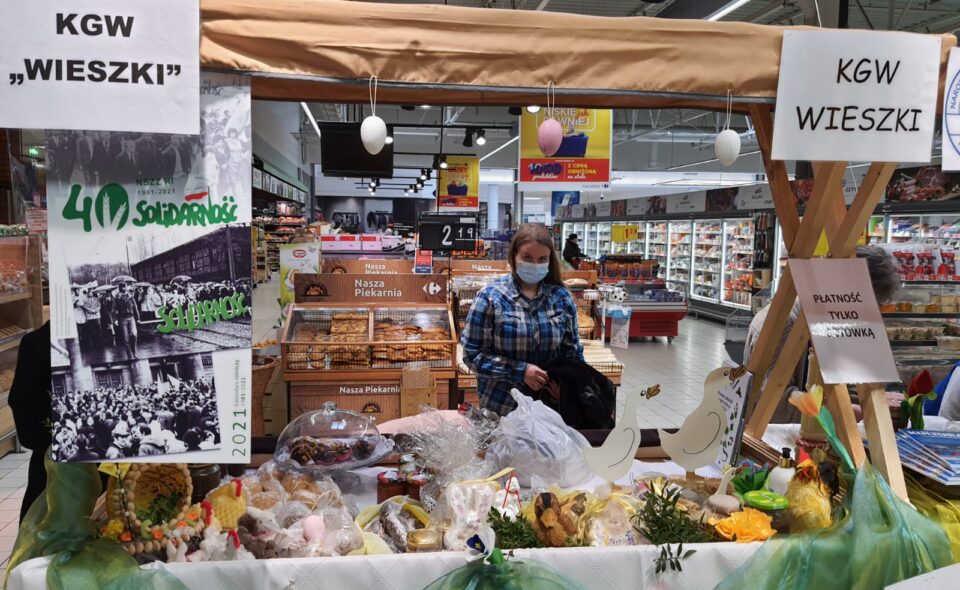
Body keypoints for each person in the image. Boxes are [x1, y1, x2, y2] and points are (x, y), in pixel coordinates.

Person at [742, 246, 900, 423]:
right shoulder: (779, 325)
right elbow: (775, 408)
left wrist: (874, 399)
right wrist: (851, 413)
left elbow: (846, 387)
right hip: (776, 442)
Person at [461, 224, 584, 415]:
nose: (535, 264)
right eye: (527, 257)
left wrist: (568, 387)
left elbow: (573, 353)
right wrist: (520, 371)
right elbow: (472, 355)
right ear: (514, 257)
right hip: (502, 410)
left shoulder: (561, 297)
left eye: (542, 259)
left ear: (550, 261)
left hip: (550, 412)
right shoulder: (491, 297)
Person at [8, 322, 51, 523]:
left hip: (51, 472)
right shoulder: (38, 343)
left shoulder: (38, 342)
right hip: (53, 476)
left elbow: (23, 409)